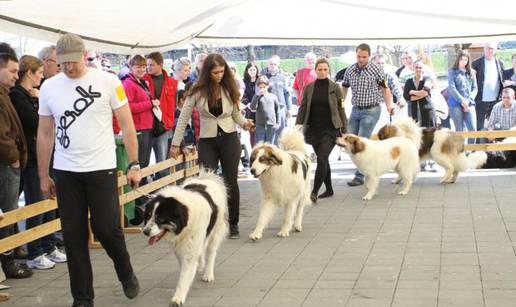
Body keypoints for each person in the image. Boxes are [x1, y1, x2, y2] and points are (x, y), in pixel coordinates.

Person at [37, 33, 141, 306]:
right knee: (73, 235)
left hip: (101, 167)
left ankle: (125, 269)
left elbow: (127, 124)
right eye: (63, 64)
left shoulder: (108, 81)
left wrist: (134, 163)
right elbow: (45, 133)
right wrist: (43, 174)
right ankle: (82, 299)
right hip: (66, 171)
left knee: (106, 228)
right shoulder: (49, 87)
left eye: (73, 62)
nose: (69, 68)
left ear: (84, 55)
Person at [170, 53, 254, 239]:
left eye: (222, 71)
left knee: (230, 181)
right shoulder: (196, 91)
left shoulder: (229, 88)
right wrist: (176, 143)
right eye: (215, 72)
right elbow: (183, 117)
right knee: (205, 182)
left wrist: (245, 123)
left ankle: (233, 224)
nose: (219, 75)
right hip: (207, 140)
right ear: (207, 72)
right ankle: (207, 221)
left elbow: (236, 114)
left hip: (230, 139)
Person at [9, 55, 67, 270]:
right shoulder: (17, 96)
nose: (42, 77)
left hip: (47, 155)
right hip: (33, 159)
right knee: (37, 205)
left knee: (50, 202)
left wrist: (39, 98)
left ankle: (49, 245)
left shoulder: (32, 95)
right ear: (29, 73)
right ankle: (35, 251)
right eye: (39, 73)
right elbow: (37, 121)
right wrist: (39, 100)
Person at [0, 42, 32, 280]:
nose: (16, 75)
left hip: (10, 164)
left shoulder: (5, 94)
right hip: (6, 165)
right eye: (12, 71)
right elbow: (2, 135)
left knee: (9, 213)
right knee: (8, 214)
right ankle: (8, 263)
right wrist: (13, 159)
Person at [296, 58, 347, 202]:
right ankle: (329, 189)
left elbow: (341, 109)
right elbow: (303, 107)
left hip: (331, 129)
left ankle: (314, 192)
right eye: (320, 69)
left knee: (322, 158)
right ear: (315, 70)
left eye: (325, 69)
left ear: (329, 70)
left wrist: (345, 130)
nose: (323, 72)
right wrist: (298, 125)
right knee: (324, 161)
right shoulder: (309, 87)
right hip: (313, 130)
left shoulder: (335, 88)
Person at [342, 43, 393, 187]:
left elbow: (385, 88)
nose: (361, 59)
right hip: (356, 109)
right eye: (359, 56)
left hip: (371, 110)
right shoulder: (350, 70)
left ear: (369, 56)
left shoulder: (376, 70)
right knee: (349, 139)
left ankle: (359, 176)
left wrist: (389, 105)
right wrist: (340, 105)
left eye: (364, 57)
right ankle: (365, 168)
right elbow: (344, 88)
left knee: (361, 140)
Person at [122, 54, 156, 213]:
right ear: (130, 67)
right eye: (138, 67)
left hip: (147, 126)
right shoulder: (128, 84)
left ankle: (139, 195)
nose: (142, 69)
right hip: (138, 128)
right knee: (139, 163)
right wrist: (150, 104)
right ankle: (135, 199)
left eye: (143, 66)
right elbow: (128, 107)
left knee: (144, 163)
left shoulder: (143, 82)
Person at [143, 52, 178, 179]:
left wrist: (169, 124)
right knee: (144, 163)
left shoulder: (172, 83)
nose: (148, 67)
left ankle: (162, 192)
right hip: (146, 126)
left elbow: (174, 107)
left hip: (163, 127)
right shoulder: (142, 80)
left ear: (161, 65)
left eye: (151, 65)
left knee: (162, 163)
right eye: (147, 65)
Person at [472, 42, 505, 132]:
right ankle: (479, 145)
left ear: (495, 50)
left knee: (494, 126)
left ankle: (493, 145)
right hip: (480, 101)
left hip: (495, 100)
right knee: (479, 126)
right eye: (488, 48)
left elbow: (502, 79)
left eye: (492, 48)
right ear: (484, 49)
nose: (490, 50)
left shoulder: (499, 63)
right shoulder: (476, 63)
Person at [448, 50, 478, 144]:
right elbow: (452, 89)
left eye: (466, 60)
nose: (463, 62)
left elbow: (475, 88)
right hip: (455, 104)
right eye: (462, 59)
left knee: (473, 129)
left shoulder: (472, 72)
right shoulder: (452, 72)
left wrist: (468, 101)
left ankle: (470, 152)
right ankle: (461, 154)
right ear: (458, 60)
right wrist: (462, 101)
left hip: (469, 104)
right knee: (460, 130)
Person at [263, 56, 291, 145]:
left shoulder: (282, 77)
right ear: (268, 65)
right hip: (270, 109)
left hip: (281, 108)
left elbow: (287, 93)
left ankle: (280, 152)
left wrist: (289, 109)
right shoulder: (264, 78)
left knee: (281, 131)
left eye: (275, 64)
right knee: (271, 132)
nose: (273, 66)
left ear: (278, 65)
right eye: (271, 64)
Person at [404, 60, 433, 128]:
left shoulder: (427, 79)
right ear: (413, 68)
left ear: (423, 69)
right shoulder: (409, 81)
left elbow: (425, 92)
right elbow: (406, 96)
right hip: (413, 111)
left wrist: (412, 92)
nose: (418, 69)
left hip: (427, 110)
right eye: (416, 67)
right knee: (414, 132)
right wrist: (421, 94)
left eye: (420, 67)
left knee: (428, 133)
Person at [250, 77, 280, 144]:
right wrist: (257, 96)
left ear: (267, 86)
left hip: (271, 124)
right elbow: (252, 108)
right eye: (260, 87)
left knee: (269, 144)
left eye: (264, 87)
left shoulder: (273, 97)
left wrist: (278, 122)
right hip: (260, 124)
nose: (262, 89)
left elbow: (277, 110)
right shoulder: (256, 96)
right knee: (260, 143)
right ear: (257, 87)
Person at [241, 62, 260, 147]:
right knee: (252, 133)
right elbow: (243, 95)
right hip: (249, 111)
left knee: (261, 132)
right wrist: (248, 103)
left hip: (260, 110)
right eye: (250, 70)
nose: (252, 71)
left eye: (254, 69)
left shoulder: (260, 80)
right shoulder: (244, 82)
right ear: (247, 71)